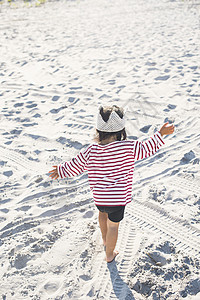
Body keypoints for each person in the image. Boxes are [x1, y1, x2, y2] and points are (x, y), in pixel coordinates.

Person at [49, 105, 174, 263]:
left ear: (98, 130)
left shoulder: (91, 150)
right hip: (118, 199)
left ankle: (105, 240)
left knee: (102, 215)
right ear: (122, 130)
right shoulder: (129, 147)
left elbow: (75, 165)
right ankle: (109, 254)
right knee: (113, 226)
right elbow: (147, 148)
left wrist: (61, 170)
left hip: (100, 197)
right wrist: (160, 134)